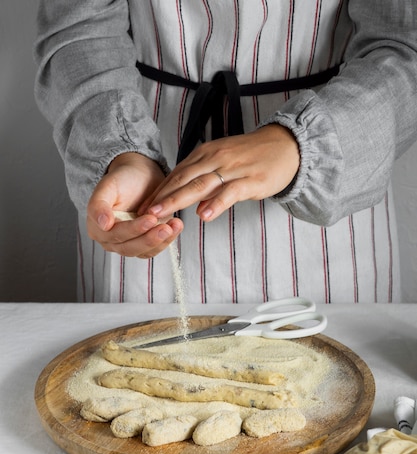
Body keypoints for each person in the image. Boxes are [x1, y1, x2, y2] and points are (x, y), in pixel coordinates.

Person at [34, 1, 417, 304]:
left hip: (329, 207)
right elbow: (78, 29)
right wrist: (120, 150)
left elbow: (404, 47)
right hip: (145, 175)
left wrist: (302, 145)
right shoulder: (124, 153)